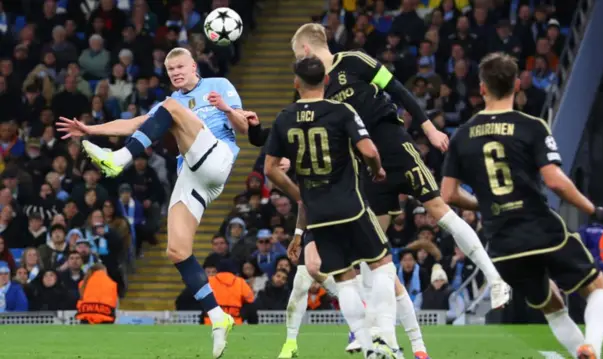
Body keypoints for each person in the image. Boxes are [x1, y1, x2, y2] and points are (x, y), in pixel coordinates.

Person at [289, 23, 509, 356]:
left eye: (296, 56)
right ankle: (386, 339)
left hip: (393, 144)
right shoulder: (316, 88)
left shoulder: (356, 61)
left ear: (305, 50)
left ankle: (495, 278)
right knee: (370, 255)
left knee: (438, 209)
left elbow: (399, 91)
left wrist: (430, 130)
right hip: (366, 167)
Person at [56, 47, 248, 358]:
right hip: (193, 175)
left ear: (194, 66)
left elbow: (244, 127)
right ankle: (218, 316)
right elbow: (133, 123)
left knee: (170, 108)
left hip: (218, 158)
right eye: (170, 69)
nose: (175, 72)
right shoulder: (168, 105)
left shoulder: (219, 85)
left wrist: (227, 109)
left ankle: (121, 159)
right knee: (177, 250)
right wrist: (91, 130)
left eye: (180, 66)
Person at [440, 52, 603, 359]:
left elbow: (449, 194)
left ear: (482, 88)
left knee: (552, 306)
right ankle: (594, 348)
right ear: (518, 84)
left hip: (503, 244)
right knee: (597, 287)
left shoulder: (462, 136)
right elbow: (555, 181)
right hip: (540, 229)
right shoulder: (531, 126)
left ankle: (581, 354)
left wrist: (485, 205)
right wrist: (594, 211)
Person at [264, 56, 398, 359]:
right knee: (382, 265)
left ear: (296, 83)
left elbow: (271, 169)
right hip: (350, 205)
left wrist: (300, 194)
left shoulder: (284, 118)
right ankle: (384, 338)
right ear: (326, 81)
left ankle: (366, 346)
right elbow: (369, 149)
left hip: (319, 216)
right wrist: (376, 168)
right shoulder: (341, 111)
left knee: (344, 279)